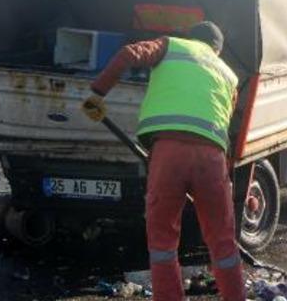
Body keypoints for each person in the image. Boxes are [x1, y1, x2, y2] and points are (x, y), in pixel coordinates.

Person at [84, 21, 244, 301]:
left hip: (168, 153)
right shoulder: (229, 76)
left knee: (163, 242)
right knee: (222, 241)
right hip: (212, 158)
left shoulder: (171, 45)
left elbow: (128, 54)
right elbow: (226, 124)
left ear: (191, 37)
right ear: (217, 50)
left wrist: (97, 93)